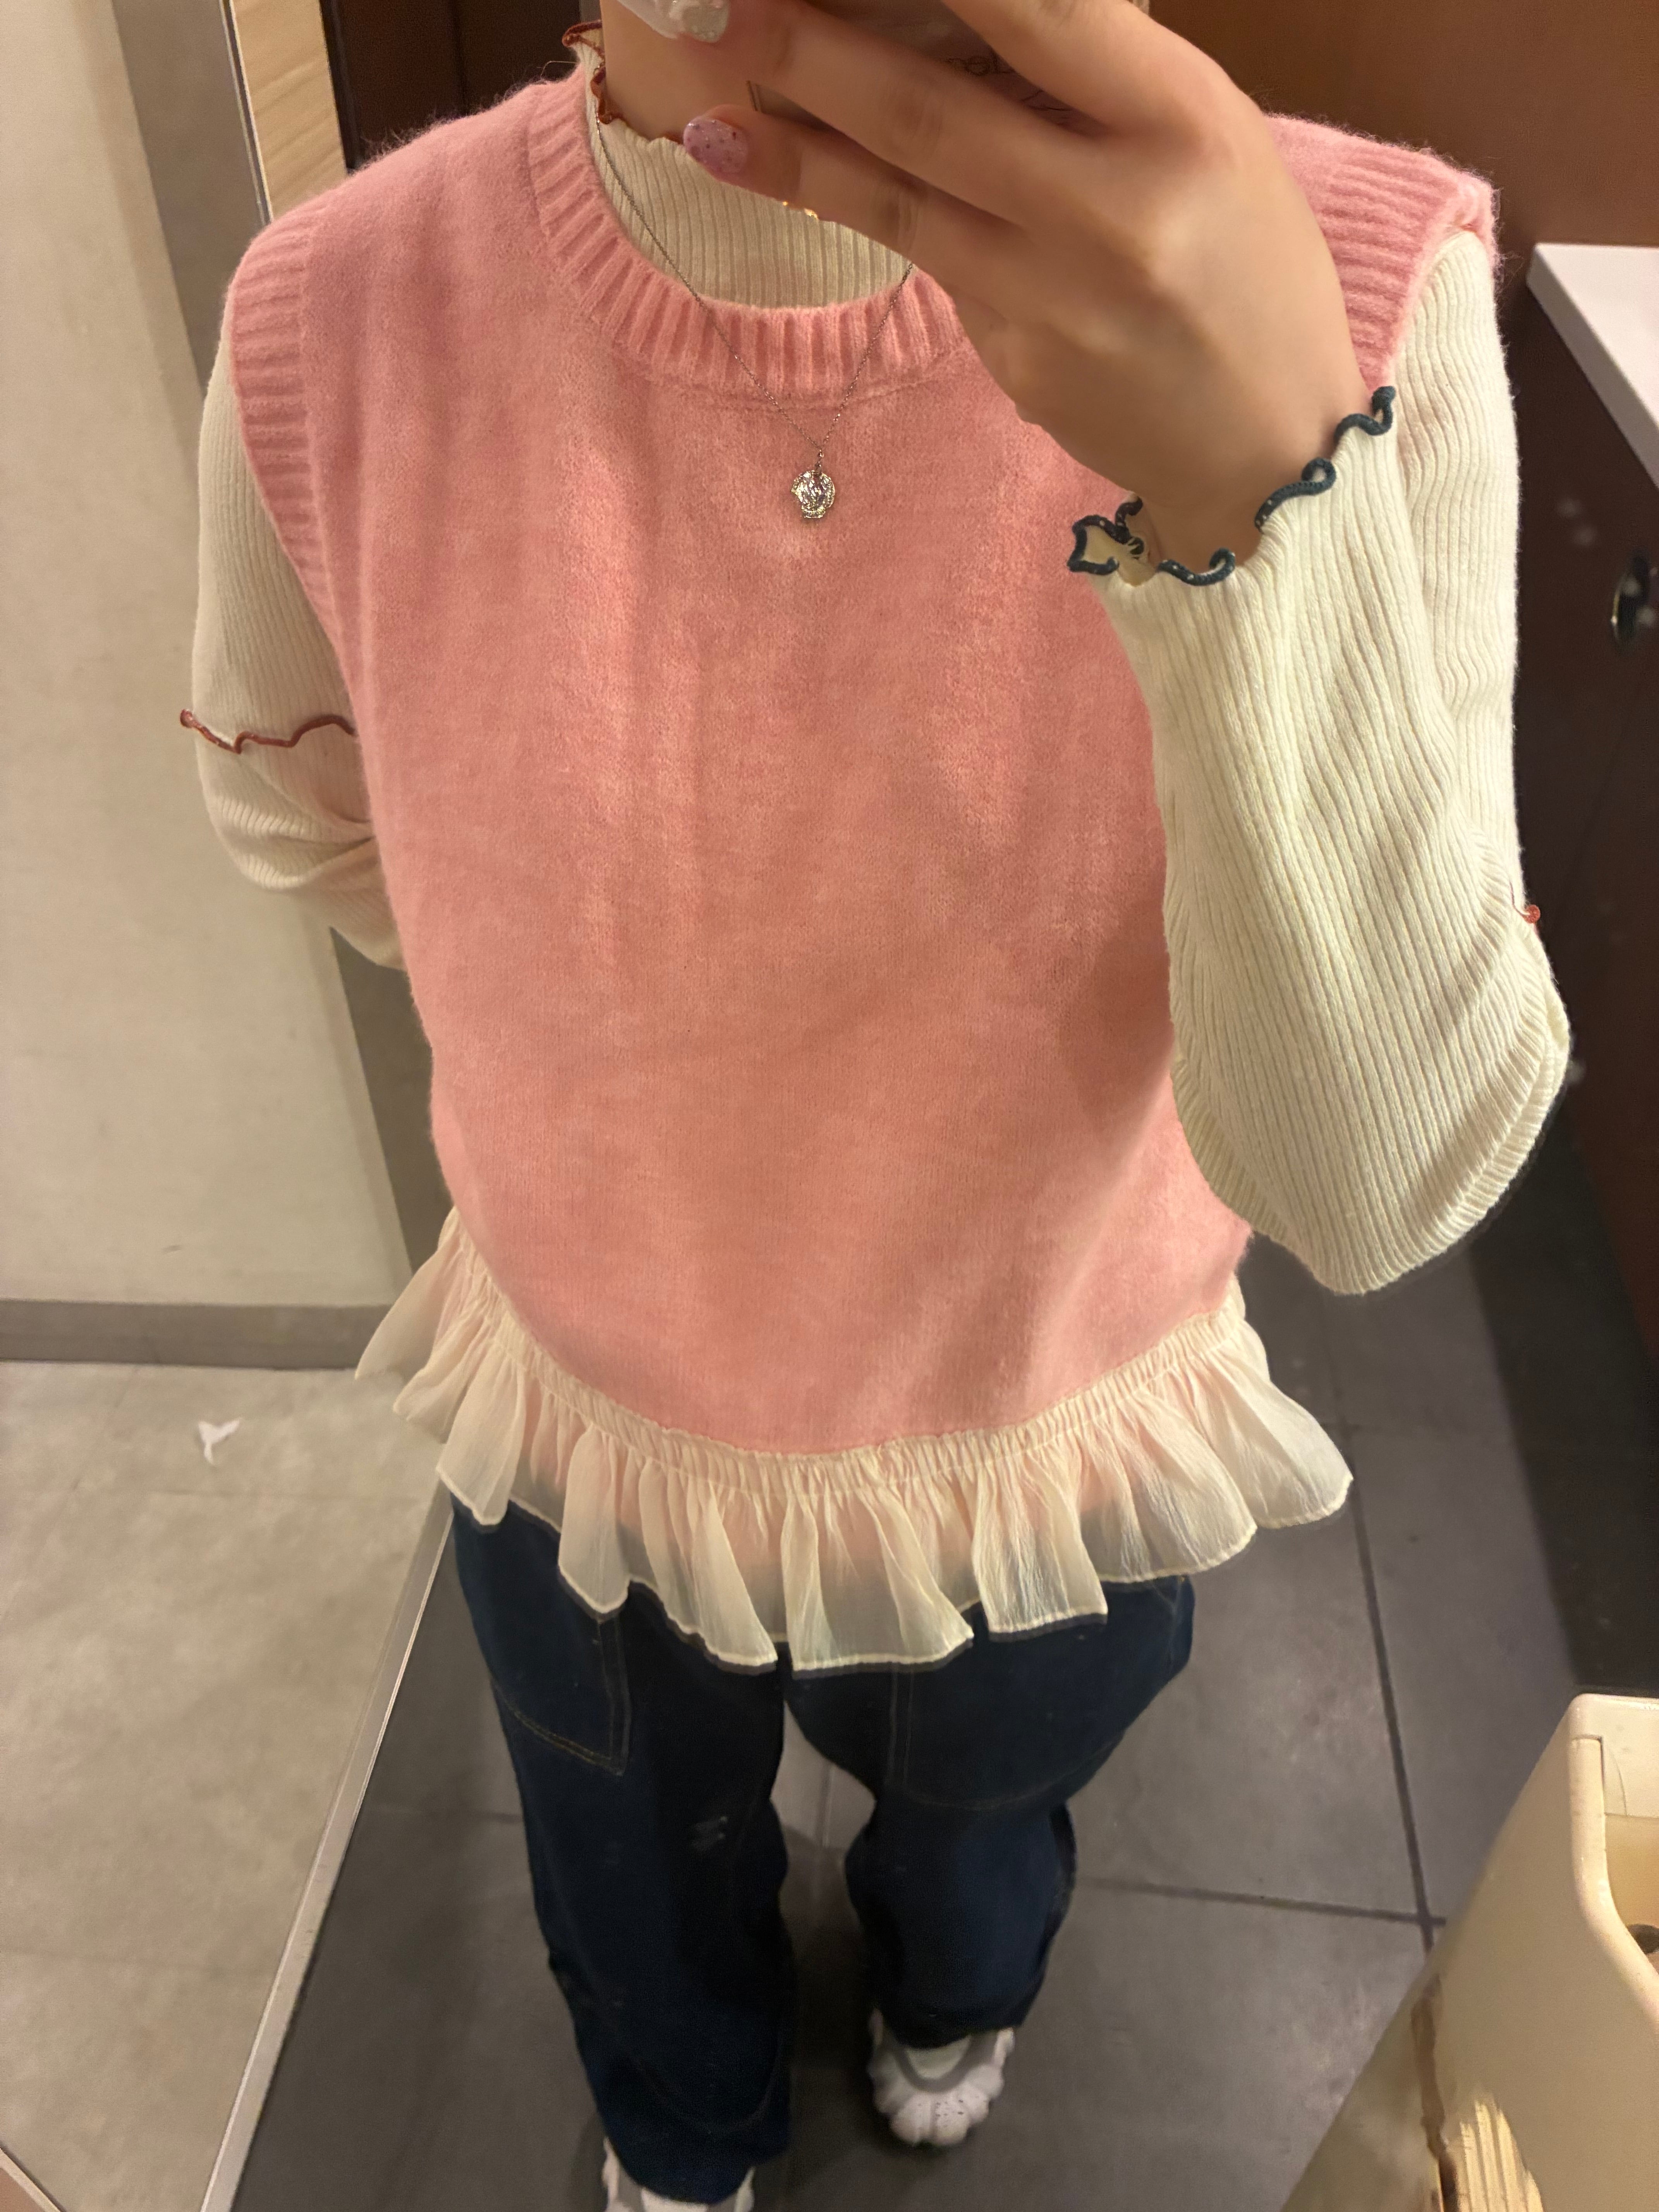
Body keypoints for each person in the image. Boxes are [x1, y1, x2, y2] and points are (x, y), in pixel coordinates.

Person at [184, 0, 1571, 2202]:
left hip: (1045, 1403)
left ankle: (954, 1982)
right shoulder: (337, 312)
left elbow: (1379, 1182)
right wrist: (611, 1007)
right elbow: (314, 818)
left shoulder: (1357, 299)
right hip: (586, 1404)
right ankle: (688, 2117)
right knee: (625, 1843)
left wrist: (1261, 505)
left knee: (983, 1815)